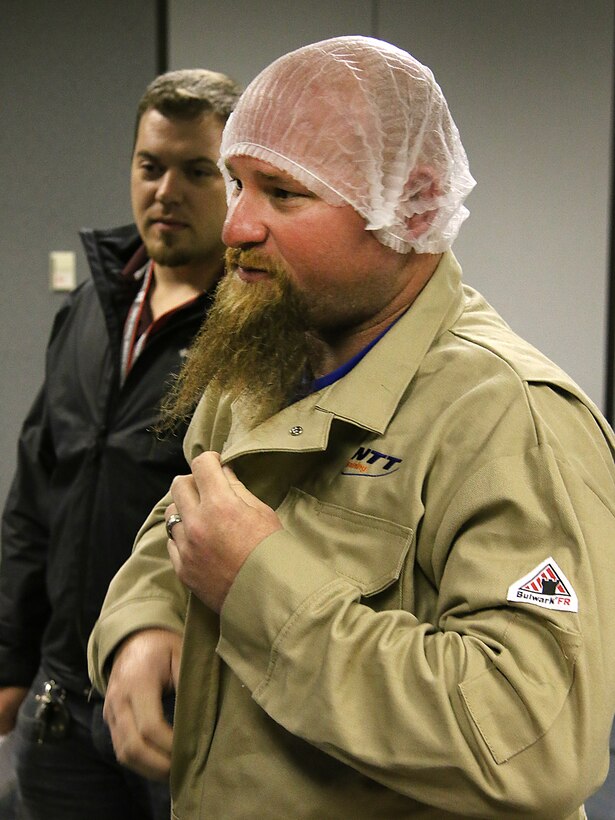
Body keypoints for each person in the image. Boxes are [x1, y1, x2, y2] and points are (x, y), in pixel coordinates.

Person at [88, 36, 615, 819]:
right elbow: (183, 524)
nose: (235, 227)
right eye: (237, 183)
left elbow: (531, 741)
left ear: (411, 204)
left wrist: (258, 588)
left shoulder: (507, 415)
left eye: (283, 193)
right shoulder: (262, 361)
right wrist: (142, 624)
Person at [0, 67, 241, 820]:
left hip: (181, 707)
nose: (166, 190)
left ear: (236, 183)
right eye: (150, 166)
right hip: (63, 700)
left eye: (196, 171)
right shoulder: (90, 310)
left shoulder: (253, 336)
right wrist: (11, 657)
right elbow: (36, 496)